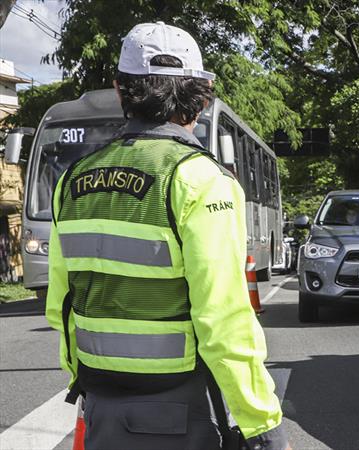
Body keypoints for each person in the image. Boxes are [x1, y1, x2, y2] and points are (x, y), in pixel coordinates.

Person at [45, 22, 288, 450]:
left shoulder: (73, 180)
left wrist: (85, 385)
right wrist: (263, 425)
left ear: (121, 91)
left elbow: (62, 303)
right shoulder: (200, 179)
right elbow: (224, 317)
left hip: (101, 406)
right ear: (201, 95)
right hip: (180, 413)